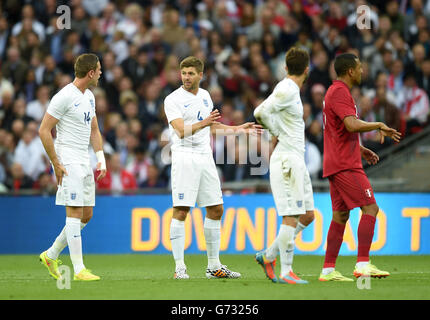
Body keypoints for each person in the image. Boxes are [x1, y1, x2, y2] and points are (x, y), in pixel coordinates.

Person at [163, 56, 262, 279]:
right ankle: (180, 268)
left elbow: (211, 128)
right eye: (184, 73)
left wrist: (238, 129)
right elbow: (180, 130)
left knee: (216, 208)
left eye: (191, 73)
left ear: (201, 75)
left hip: (205, 156)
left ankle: (213, 266)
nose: (186, 77)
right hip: (185, 156)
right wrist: (205, 123)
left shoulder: (206, 96)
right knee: (181, 210)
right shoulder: (173, 99)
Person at [319, 53, 401, 281]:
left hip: (337, 160)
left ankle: (328, 270)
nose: (363, 71)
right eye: (360, 67)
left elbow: (339, 130)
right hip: (345, 165)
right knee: (371, 208)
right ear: (350, 71)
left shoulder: (334, 92)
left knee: (340, 215)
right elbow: (351, 125)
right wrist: (378, 125)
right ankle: (363, 264)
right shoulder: (340, 92)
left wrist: (360, 149)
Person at [38, 53, 107, 281]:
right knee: (75, 212)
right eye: (98, 69)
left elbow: (94, 130)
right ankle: (78, 270)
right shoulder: (64, 96)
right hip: (68, 160)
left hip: (84, 160)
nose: (100, 73)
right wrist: (55, 163)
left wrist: (101, 158)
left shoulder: (89, 96)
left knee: (87, 214)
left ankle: (51, 254)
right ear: (90, 73)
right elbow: (43, 130)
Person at [253, 47, 315, 284]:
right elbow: (260, 111)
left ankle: (269, 255)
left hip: (296, 159)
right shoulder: (288, 88)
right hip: (287, 158)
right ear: (307, 70)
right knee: (291, 215)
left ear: (287, 67)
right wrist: (275, 131)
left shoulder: (291, 90)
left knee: (308, 215)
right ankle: (287, 271)